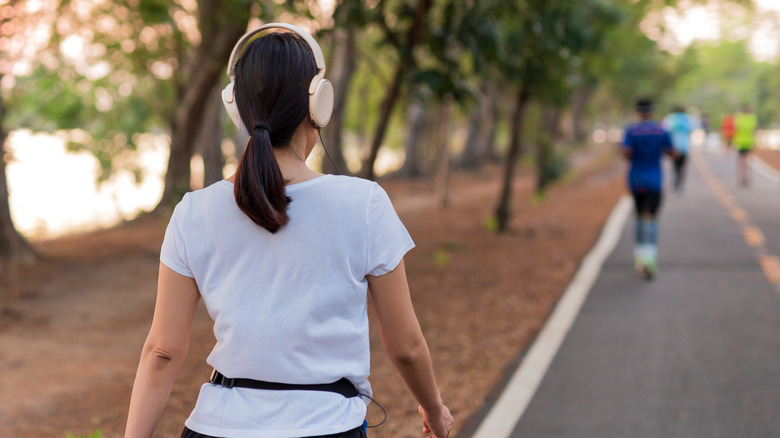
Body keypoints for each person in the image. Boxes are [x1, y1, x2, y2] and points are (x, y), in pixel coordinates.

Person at [125, 23, 453, 438]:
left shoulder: (194, 212)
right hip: (326, 428)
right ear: (319, 104)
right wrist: (434, 410)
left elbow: (162, 352)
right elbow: (405, 348)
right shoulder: (364, 204)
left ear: (237, 107)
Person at [621, 98, 675, 280]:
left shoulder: (631, 130)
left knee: (638, 215)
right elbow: (673, 152)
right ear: (652, 111)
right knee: (651, 217)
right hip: (654, 180)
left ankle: (639, 256)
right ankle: (650, 257)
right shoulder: (661, 130)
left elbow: (625, 152)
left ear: (637, 111)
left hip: (635, 179)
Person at [662, 105, 697, 191]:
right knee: (682, 166)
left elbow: (665, 131)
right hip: (684, 145)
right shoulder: (688, 118)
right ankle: (680, 180)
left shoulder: (670, 118)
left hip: (673, 146)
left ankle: (676, 180)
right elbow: (692, 130)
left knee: (675, 165)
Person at [733, 105, 758, 187]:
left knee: (741, 160)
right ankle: (747, 175)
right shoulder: (752, 118)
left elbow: (735, 129)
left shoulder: (738, 118)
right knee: (747, 160)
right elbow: (754, 130)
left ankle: (743, 175)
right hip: (749, 142)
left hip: (740, 142)